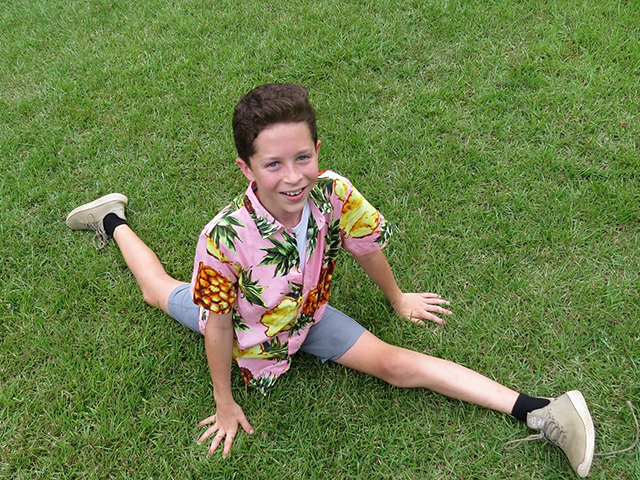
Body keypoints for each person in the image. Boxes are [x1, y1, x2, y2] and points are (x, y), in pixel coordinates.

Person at [66, 83, 595, 477]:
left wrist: (397, 297)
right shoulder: (223, 238)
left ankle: (541, 411)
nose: (293, 175)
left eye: (304, 156)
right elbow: (220, 326)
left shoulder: (333, 191)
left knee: (395, 363)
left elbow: (365, 244)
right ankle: (111, 218)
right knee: (157, 289)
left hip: (309, 318)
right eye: (273, 163)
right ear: (246, 167)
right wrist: (224, 402)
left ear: (318, 147)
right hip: (249, 333)